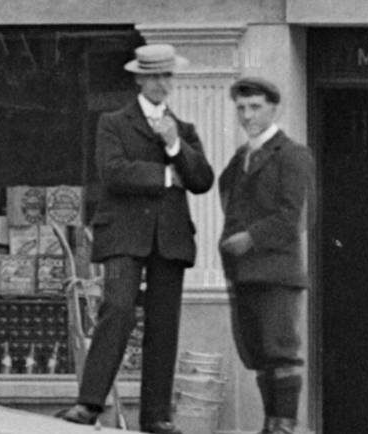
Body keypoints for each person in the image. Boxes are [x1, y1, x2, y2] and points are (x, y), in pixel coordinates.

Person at [58, 44, 214, 434]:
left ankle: (156, 416)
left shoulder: (184, 130)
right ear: (139, 79)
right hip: (125, 233)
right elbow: (112, 172)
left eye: (167, 76)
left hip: (171, 238)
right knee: (118, 308)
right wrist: (164, 176)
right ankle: (88, 403)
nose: (162, 83)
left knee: (164, 324)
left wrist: (175, 146)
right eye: (154, 76)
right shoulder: (113, 122)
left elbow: (202, 181)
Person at [218, 77, 315, 434]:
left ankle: (284, 426)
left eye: (255, 107)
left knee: (280, 352)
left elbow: (294, 217)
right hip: (244, 273)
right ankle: (269, 424)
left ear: (275, 108)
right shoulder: (239, 160)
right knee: (258, 355)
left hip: (277, 272)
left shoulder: (292, 155)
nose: (247, 115)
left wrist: (251, 238)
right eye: (242, 108)